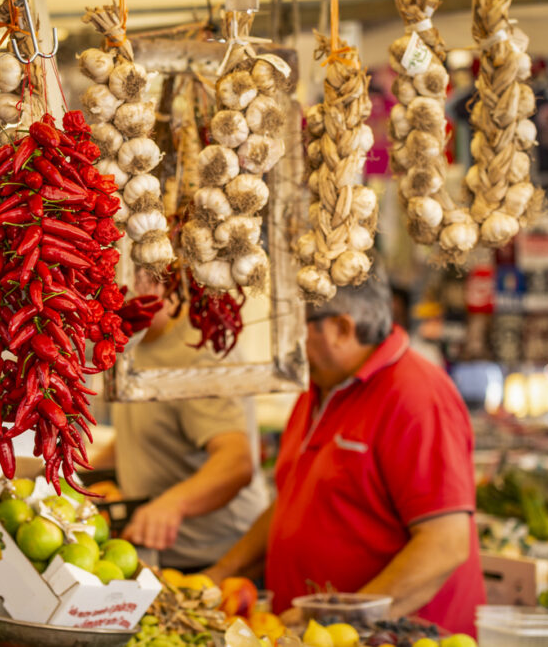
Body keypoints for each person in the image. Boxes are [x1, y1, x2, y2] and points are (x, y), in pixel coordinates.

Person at [206, 266, 485, 635]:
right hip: (316, 635)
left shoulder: (417, 394)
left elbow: (445, 544)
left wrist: (342, 621)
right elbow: (295, 502)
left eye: (292, 327)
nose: (284, 343)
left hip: (394, 638)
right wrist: (216, 578)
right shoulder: (319, 390)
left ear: (341, 328)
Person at [98, 273, 268, 571]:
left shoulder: (199, 351)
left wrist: (173, 504)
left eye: (127, 278)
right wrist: (80, 478)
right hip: (158, 553)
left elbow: (236, 460)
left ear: (160, 281)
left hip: (214, 560)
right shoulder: (134, 342)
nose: (114, 296)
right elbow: (142, 431)